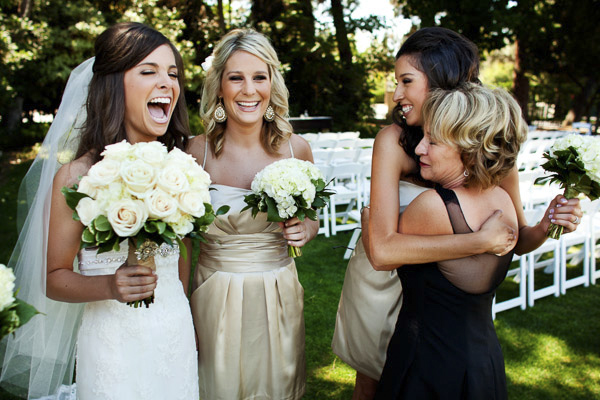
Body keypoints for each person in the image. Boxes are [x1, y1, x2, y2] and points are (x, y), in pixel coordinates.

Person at [331, 27, 582, 400]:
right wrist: (476, 240)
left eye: (406, 81)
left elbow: (513, 240)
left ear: (441, 79)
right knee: (372, 382)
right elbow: (382, 248)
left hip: (447, 295)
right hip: (382, 282)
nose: (397, 94)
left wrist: (547, 225)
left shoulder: (489, 149)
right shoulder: (392, 142)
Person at [0, 22, 199, 399]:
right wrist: (108, 285)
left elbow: (183, 249)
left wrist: (180, 308)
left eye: (173, 74)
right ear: (114, 84)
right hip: (112, 346)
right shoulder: (76, 177)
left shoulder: (180, 168)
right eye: (148, 71)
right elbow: (53, 277)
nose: (167, 83)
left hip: (174, 334)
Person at [185, 28, 318, 400]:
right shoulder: (196, 153)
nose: (249, 90)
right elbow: (180, 239)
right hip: (213, 293)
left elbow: (312, 218)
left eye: (259, 77)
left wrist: (305, 230)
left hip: (278, 292)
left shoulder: (297, 150)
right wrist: (180, 307)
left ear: (272, 83)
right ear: (219, 86)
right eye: (236, 78)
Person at [374, 83, 526, 398]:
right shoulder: (502, 199)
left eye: (433, 141)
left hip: (427, 362)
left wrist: (367, 216)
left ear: (468, 149)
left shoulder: (432, 206)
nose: (419, 149)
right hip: (483, 359)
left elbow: (382, 253)